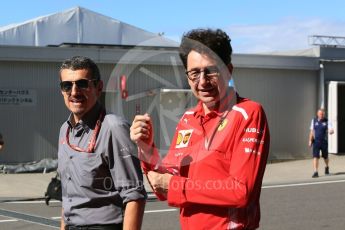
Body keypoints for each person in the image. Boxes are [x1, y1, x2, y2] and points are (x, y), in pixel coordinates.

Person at [131, 28, 270, 230]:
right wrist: (146, 148)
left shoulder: (249, 113)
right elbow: (163, 188)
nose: (203, 81)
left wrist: (175, 185)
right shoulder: (188, 120)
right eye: (195, 73)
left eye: (211, 71)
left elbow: (241, 191)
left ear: (229, 70)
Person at [58, 56, 146, 230]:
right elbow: (68, 195)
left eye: (82, 84)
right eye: (67, 85)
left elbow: (134, 195)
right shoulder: (65, 130)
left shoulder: (113, 128)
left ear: (98, 88)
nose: (74, 92)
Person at [309, 108, 334, 178]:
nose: (321, 115)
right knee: (315, 156)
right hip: (316, 142)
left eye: (322, 114)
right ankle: (315, 172)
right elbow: (312, 131)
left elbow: (331, 129)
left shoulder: (327, 121)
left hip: (324, 142)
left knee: (325, 157)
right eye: (320, 114)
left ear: (324, 114)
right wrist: (310, 140)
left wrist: (331, 131)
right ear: (317, 114)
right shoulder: (314, 120)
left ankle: (327, 166)